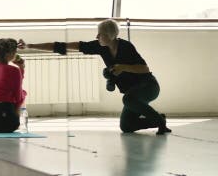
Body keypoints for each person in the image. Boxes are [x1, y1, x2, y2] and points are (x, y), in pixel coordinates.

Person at [18, 19, 171, 134]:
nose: (96, 36)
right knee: (126, 127)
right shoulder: (100, 46)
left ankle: (160, 123)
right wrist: (30, 45)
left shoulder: (126, 47)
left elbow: (144, 69)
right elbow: (62, 46)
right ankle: (159, 119)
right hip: (133, 93)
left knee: (128, 99)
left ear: (111, 36)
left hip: (149, 87)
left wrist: (123, 67)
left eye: (100, 34)